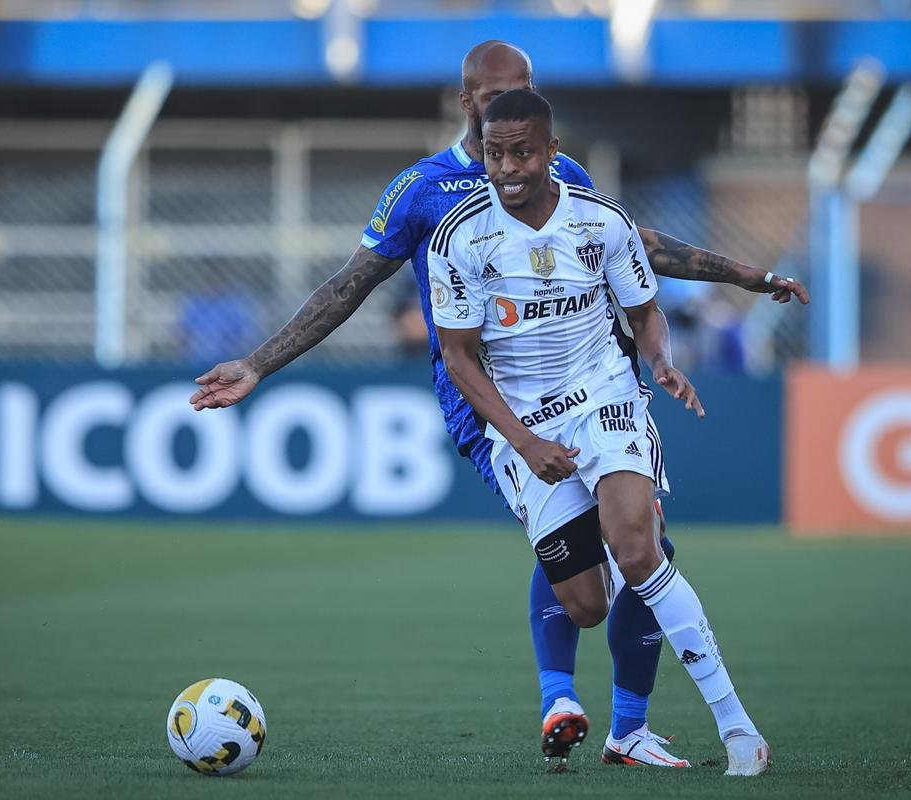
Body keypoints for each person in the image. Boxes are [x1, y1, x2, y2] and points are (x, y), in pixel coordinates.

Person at [190, 40, 806, 769]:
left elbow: (630, 244)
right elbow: (349, 286)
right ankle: (568, 693)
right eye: (492, 99)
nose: (508, 123)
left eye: (524, 92)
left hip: (599, 387)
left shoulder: (561, 174)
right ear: (467, 103)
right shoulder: (424, 192)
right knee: (586, 589)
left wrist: (742, 277)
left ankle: (627, 724)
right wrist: (258, 363)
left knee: (641, 546)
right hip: (491, 406)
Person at [430, 87, 770, 777]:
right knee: (585, 605)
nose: (507, 168)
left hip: (605, 397)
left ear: (552, 151)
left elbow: (644, 312)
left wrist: (660, 361)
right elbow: (459, 358)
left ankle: (738, 729)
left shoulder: (601, 221)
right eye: (494, 155)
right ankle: (612, 714)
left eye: (523, 153)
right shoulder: (459, 236)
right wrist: (523, 441)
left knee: (636, 548)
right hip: (525, 423)